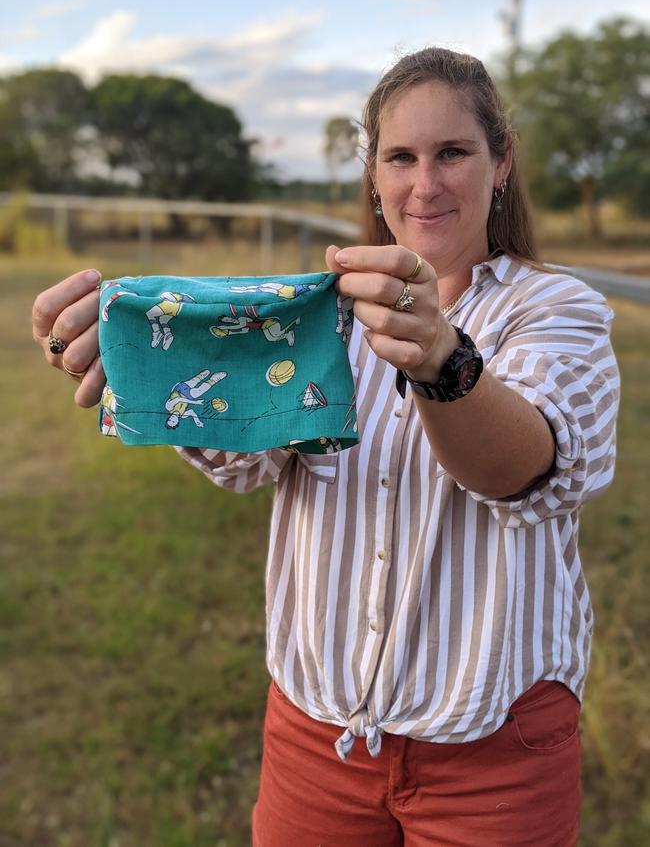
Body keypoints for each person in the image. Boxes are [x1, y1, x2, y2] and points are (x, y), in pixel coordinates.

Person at [32, 46, 620, 846]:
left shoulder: (559, 310)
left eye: (453, 152)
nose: (425, 183)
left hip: (495, 747)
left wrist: (442, 359)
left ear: (501, 161)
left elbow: (524, 470)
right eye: (400, 157)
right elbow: (248, 459)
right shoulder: (319, 315)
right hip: (316, 737)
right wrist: (139, 357)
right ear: (372, 176)